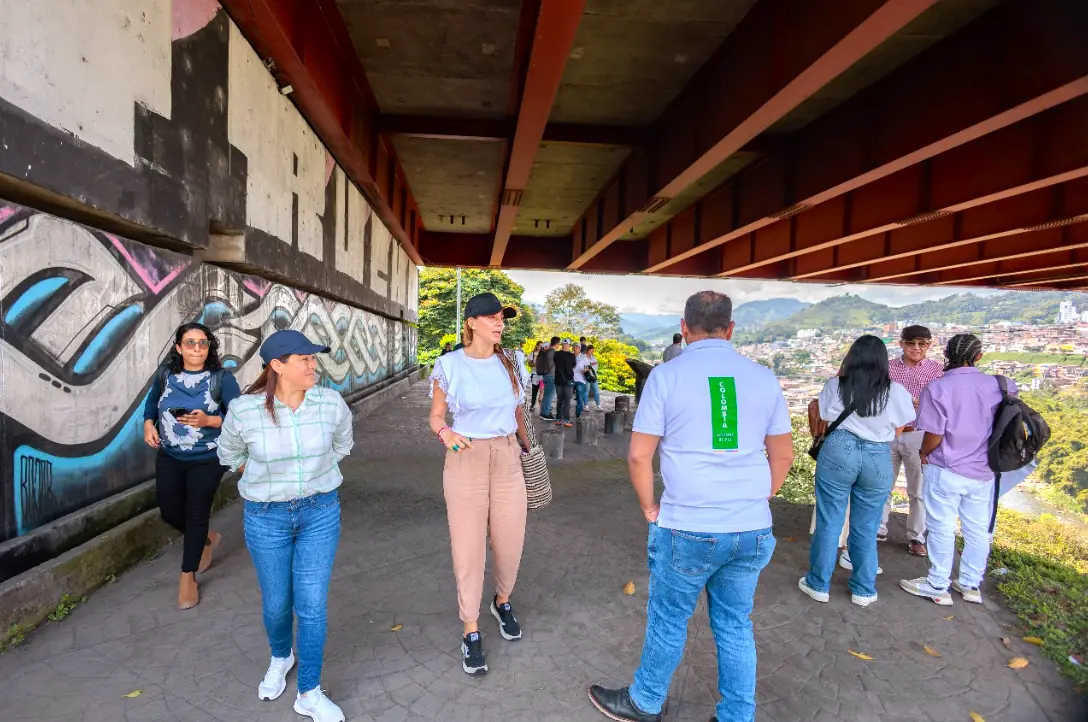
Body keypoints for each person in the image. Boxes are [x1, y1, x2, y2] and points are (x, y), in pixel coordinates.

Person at [589, 291, 794, 722]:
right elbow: (783, 456)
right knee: (736, 624)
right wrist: (760, 497)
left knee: (669, 619)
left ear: (684, 327)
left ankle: (645, 702)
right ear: (731, 329)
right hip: (750, 528)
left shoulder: (667, 376)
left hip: (686, 527)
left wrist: (649, 508)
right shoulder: (764, 378)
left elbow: (639, 456)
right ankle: (737, 716)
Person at [217, 330, 353, 722]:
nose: (313, 365)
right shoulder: (245, 410)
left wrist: (316, 472)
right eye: (304, 359)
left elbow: (343, 443)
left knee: (311, 607)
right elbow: (229, 455)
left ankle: (309, 690)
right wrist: (262, 476)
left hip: (320, 513)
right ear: (277, 365)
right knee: (277, 604)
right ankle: (281, 656)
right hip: (266, 517)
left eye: (314, 358)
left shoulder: (330, 403)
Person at [428, 292, 534, 675]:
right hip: (466, 456)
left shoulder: (514, 361)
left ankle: (501, 601)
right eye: (491, 316)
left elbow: (518, 410)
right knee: (468, 547)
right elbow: (436, 416)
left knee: (510, 540)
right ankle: (470, 628)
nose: (499, 322)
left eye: (502, 317)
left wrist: (527, 448)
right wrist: (445, 433)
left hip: (507, 456)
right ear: (471, 322)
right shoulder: (449, 365)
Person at [799, 336, 914, 608]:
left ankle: (818, 584)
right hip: (877, 454)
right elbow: (898, 429)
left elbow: (825, 417)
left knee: (830, 520)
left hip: (839, 449)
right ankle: (863, 588)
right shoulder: (896, 391)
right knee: (867, 524)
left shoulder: (835, 385)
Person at [900, 334, 1012, 606]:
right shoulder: (1002, 384)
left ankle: (937, 584)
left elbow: (935, 434)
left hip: (946, 467)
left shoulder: (938, 387)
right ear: (978, 356)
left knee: (941, 526)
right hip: (985, 469)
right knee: (977, 529)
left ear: (946, 353)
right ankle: (970, 584)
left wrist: (924, 452)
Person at [143, 322, 241, 610]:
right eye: (190, 342)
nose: (197, 348)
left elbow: (240, 416)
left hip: (208, 459)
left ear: (209, 347)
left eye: (203, 343)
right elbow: (151, 405)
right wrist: (148, 425)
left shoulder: (221, 379)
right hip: (170, 456)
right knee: (169, 510)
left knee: (196, 514)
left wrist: (210, 421)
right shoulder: (165, 375)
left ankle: (188, 576)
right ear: (178, 347)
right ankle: (207, 540)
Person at [880, 325, 943, 556]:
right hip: (889, 432)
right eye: (911, 343)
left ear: (929, 345)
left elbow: (943, 404)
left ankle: (916, 536)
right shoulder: (887, 368)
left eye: (922, 343)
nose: (916, 348)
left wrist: (923, 404)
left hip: (919, 433)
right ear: (901, 344)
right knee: (882, 483)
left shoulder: (937, 370)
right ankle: (879, 527)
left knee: (918, 490)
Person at [553, 338, 577, 428]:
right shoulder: (572, 356)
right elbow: (574, 365)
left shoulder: (556, 354)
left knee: (560, 399)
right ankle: (566, 419)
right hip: (568, 379)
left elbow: (554, 362)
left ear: (562, 345)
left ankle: (558, 418)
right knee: (567, 400)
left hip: (558, 379)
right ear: (569, 345)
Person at [537, 337, 558, 420]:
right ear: (557, 344)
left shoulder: (546, 351)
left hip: (546, 375)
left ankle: (543, 412)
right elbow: (553, 365)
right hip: (551, 375)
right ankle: (546, 413)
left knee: (546, 395)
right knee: (550, 395)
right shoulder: (553, 352)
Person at [574, 342, 591, 418]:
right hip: (570, 379)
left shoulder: (583, 357)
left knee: (580, 398)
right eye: (574, 347)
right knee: (566, 397)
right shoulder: (570, 356)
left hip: (580, 380)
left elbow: (588, 367)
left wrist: (585, 370)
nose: (575, 348)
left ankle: (578, 413)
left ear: (580, 348)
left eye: (577, 347)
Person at [528, 341, 545, 411]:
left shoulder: (544, 354)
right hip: (535, 375)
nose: (541, 347)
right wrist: (535, 357)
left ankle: (543, 407)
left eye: (542, 346)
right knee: (534, 391)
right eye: (540, 346)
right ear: (537, 346)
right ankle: (532, 404)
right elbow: (530, 364)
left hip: (543, 376)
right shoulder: (532, 354)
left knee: (542, 392)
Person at [585, 345, 602, 410]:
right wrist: (590, 365)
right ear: (587, 350)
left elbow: (596, 366)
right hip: (586, 376)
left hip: (593, 376)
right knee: (586, 391)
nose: (592, 352)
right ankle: (586, 405)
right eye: (591, 350)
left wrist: (593, 372)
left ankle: (598, 405)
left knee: (596, 391)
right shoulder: (583, 357)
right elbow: (582, 366)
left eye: (593, 351)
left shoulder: (593, 357)